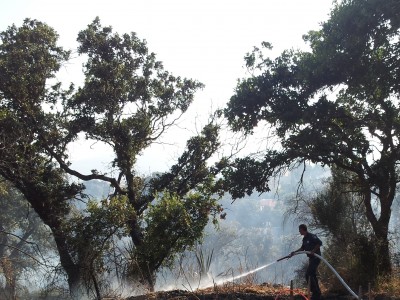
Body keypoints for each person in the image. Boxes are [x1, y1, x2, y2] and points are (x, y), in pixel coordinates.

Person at [290, 224, 322, 300]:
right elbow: (302, 248)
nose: (299, 231)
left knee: (308, 274)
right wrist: (294, 252)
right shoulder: (304, 239)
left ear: (304, 229)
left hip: (316, 258)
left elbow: (319, 243)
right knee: (312, 274)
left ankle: (315, 293)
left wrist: (313, 251)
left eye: (300, 230)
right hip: (311, 259)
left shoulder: (312, 236)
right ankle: (317, 292)